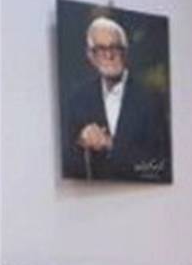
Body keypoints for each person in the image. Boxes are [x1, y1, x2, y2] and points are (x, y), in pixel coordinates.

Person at [61, 16, 171, 182]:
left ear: (125, 52)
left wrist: (111, 144)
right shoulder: (77, 100)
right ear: (91, 56)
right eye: (100, 49)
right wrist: (82, 141)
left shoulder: (151, 101)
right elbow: (68, 164)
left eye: (115, 47)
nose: (109, 55)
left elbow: (161, 166)